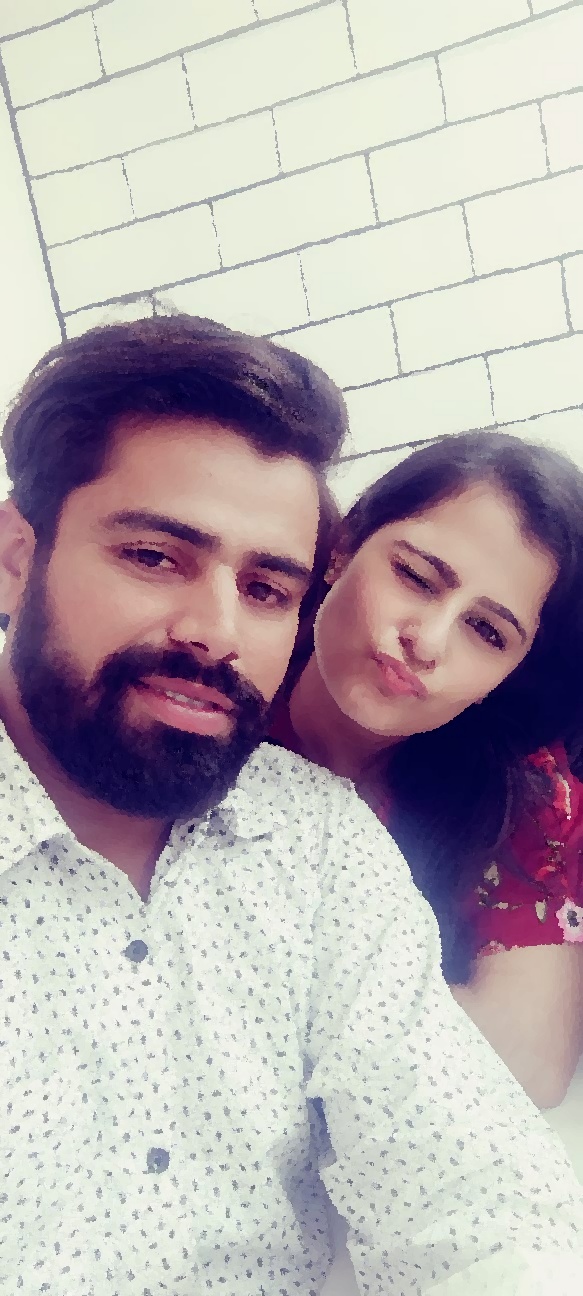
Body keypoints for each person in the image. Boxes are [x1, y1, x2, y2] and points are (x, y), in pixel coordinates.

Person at [0, 317, 582, 1296]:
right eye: (153, 556)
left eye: (266, 586)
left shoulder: (325, 838)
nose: (215, 631)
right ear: (17, 556)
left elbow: (475, 1187)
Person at [270, 431, 583, 1110]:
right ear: (343, 546)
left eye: (487, 632)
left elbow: (527, 1065)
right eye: (415, 577)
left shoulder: (522, 796)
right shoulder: (221, 679)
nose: (428, 641)